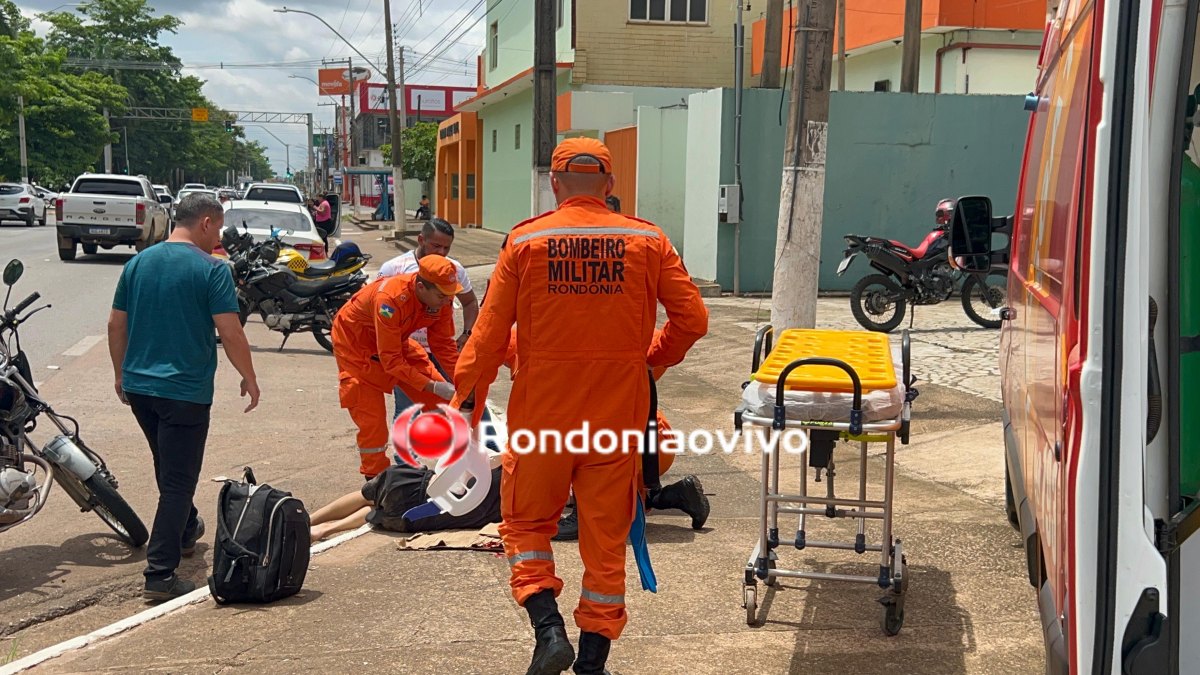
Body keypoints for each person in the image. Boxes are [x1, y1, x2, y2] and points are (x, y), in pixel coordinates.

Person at [452, 137, 708, 675]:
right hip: (614, 425)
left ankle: (549, 632)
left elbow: (487, 337)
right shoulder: (647, 240)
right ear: (610, 187)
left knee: (524, 527)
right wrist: (649, 362)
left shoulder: (526, 242)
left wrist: (465, 414)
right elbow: (693, 321)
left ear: (555, 184)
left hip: (541, 420)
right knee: (604, 545)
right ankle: (593, 662)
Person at [106, 192, 260, 602]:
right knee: (177, 481)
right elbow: (230, 331)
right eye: (219, 229)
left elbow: (115, 325)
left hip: (140, 388)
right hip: (184, 392)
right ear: (207, 222)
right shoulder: (211, 269)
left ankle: (187, 528)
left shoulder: (137, 263)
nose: (219, 241)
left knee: (167, 463)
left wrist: (120, 373)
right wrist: (249, 376)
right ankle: (160, 574)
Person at [332, 254, 462, 480]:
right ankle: (376, 484)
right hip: (356, 349)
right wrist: (431, 386)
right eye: (442, 295)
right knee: (373, 424)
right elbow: (391, 360)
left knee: (448, 403)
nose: (446, 301)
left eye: (449, 295)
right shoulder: (390, 300)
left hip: (395, 342)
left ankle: (460, 464)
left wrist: (461, 380)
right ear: (421, 287)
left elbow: (443, 346)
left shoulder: (442, 297)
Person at [378, 218, 479, 417]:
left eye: (446, 248)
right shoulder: (394, 269)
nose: (441, 252)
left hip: (440, 349)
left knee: (460, 402)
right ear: (421, 240)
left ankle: (476, 444)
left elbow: (470, 302)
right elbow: (382, 314)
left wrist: (467, 333)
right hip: (405, 354)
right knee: (409, 410)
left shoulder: (453, 270)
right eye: (436, 246)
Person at [308, 461, 502, 544]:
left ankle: (311, 520)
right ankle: (325, 530)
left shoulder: (513, 469)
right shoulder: (521, 505)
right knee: (377, 510)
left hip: (417, 490)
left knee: (368, 495)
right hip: (415, 519)